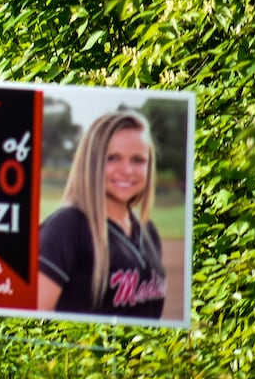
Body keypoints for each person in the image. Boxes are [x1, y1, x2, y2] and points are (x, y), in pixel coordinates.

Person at [37, 110, 167, 318]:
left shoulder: (148, 231)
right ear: (92, 162)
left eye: (138, 160)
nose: (127, 170)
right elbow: (32, 320)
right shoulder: (67, 227)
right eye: (113, 158)